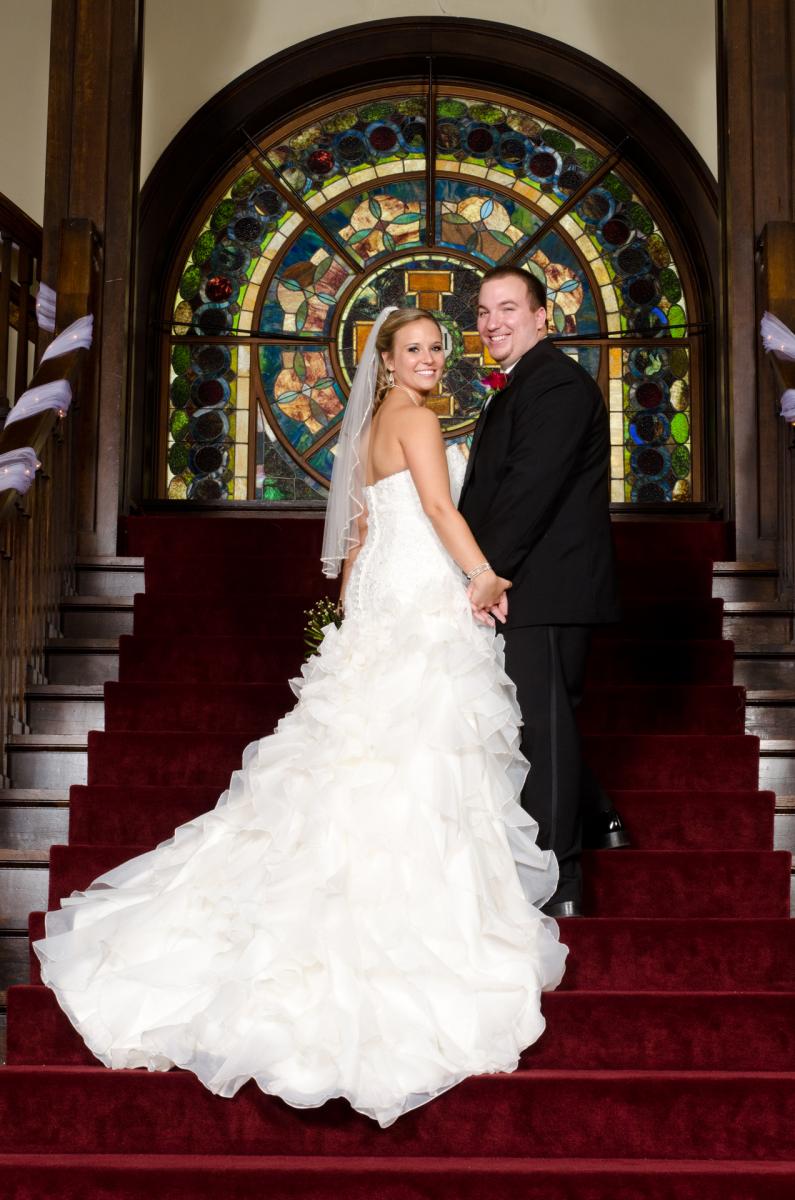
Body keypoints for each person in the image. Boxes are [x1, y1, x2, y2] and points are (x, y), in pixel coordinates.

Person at [34, 306, 567, 1130]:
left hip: (385, 601)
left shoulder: (367, 432)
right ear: (385, 362)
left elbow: (359, 536)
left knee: (362, 753)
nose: (428, 360)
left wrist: (352, 616)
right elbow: (435, 511)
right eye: (413, 350)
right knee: (419, 754)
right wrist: (485, 579)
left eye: (436, 348)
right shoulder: (417, 420)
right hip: (423, 599)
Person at [459, 266, 624, 919]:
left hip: (543, 585)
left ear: (541, 317)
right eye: (482, 311)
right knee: (538, 719)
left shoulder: (553, 382)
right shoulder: (525, 383)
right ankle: (602, 815)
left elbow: (531, 487)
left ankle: (561, 879)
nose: (492, 321)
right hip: (530, 581)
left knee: (541, 729)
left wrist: (488, 570)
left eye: (507, 308)